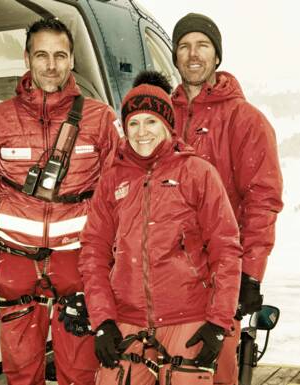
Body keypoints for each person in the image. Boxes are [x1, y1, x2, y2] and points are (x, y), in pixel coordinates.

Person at [0, 18, 121, 385]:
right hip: (14, 266)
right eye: (42, 55)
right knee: (21, 376)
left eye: (60, 55)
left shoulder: (99, 120)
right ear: (27, 58)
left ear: (71, 59)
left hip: (77, 267)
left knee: (80, 375)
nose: (52, 65)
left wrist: (103, 267)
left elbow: (118, 198)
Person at [78, 70, 243, 385]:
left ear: (168, 125)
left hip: (188, 316)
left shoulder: (197, 173)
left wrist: (218, 323)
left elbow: (226, 248)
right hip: (127, 318)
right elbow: (93, 252)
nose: (142, 132)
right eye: (134, 123)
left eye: (151, 121)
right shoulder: (113, 179)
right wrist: (102, 321)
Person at [170, 13, 284, 385]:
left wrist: (250, 275)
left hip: (219, 272)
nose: (193, 54)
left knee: (215, 369)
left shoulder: (245, 119)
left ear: (217, 56)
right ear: (174, 55)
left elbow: (262, 201)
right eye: (184, 46)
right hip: (161, 271)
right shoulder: (157, 117)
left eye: (202, 45)